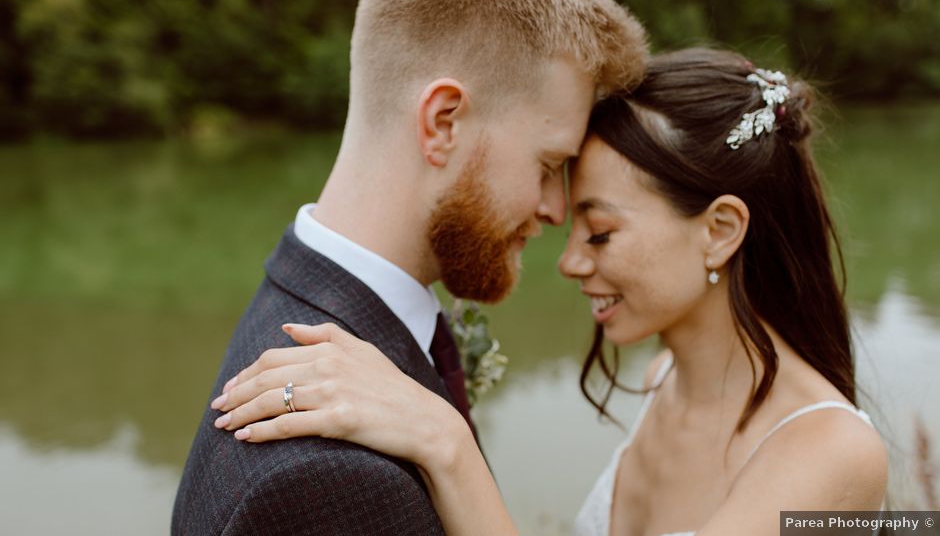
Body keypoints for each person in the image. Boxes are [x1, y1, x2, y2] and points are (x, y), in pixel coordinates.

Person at [210, 48, 889, 536]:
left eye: (598, 233)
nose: (566, 262)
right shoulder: (662, 382)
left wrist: (444, 441)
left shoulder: (834, 456)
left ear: (719, 230)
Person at [171, 0, 647, 534]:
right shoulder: (326, 481)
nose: (556, 210)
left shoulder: (302, 309)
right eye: (547, 165)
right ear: (443, 122)